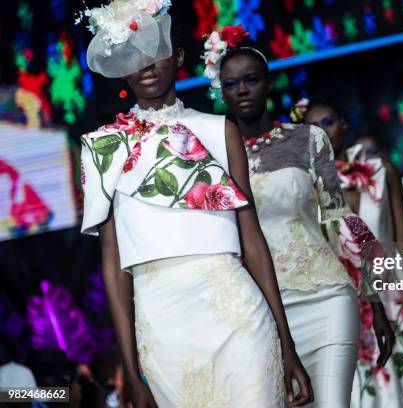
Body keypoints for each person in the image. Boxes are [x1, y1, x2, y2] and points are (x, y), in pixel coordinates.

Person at [79, 4, 311, 407]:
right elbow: (112, 260)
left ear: (180, 55)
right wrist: (131, 373)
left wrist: (287, 344)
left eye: (156, 48)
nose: (147, 64)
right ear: (120, 64)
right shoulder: (103, 147)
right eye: (133, 51)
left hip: (238, 315)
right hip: (162, 325)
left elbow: (252, 240)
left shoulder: (219, 130)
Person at [211, 33, 394, 407]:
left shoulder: (309, 140)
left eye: (251, 79)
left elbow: (344, 222)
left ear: (269, 82)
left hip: (326, 296)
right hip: (259, 313)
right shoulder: (215, 157)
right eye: (231, 83)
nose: (242, 90)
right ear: (221, 91)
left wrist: (376, 303)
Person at [301, 100, 403, 408]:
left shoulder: (383, 172)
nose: (322, 132)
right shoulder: (307, 188)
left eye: (328, 122)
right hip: (348, 303)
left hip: (397, 296)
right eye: (313, 128)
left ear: (344, 124)